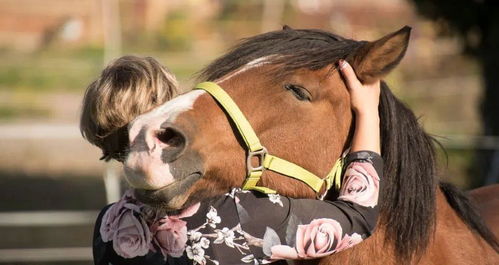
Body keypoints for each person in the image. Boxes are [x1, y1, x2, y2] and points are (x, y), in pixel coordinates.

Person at [80, 56, 382, 265]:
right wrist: (369, 112)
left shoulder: (107, 224)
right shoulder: (235, 217)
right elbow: (358, 217)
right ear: (169, 116)